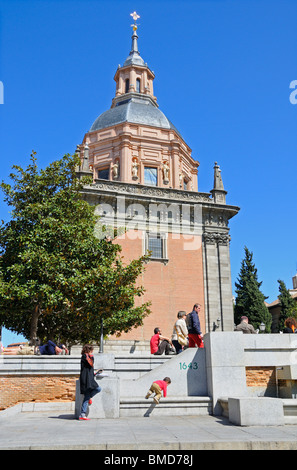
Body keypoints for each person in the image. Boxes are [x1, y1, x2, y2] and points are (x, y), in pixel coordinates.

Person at [78, 344, 102, 421]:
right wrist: (91, 357)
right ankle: (82, 414)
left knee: (88, 396)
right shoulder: (85, 356)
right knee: (98, 389)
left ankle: (82, 414)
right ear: (89, 350)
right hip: (86, 380)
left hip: (89, 378)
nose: (92, 352)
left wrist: (95, 373)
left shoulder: (88, 357)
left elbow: (89, 369)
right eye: (91, 350)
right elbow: (90, 363)